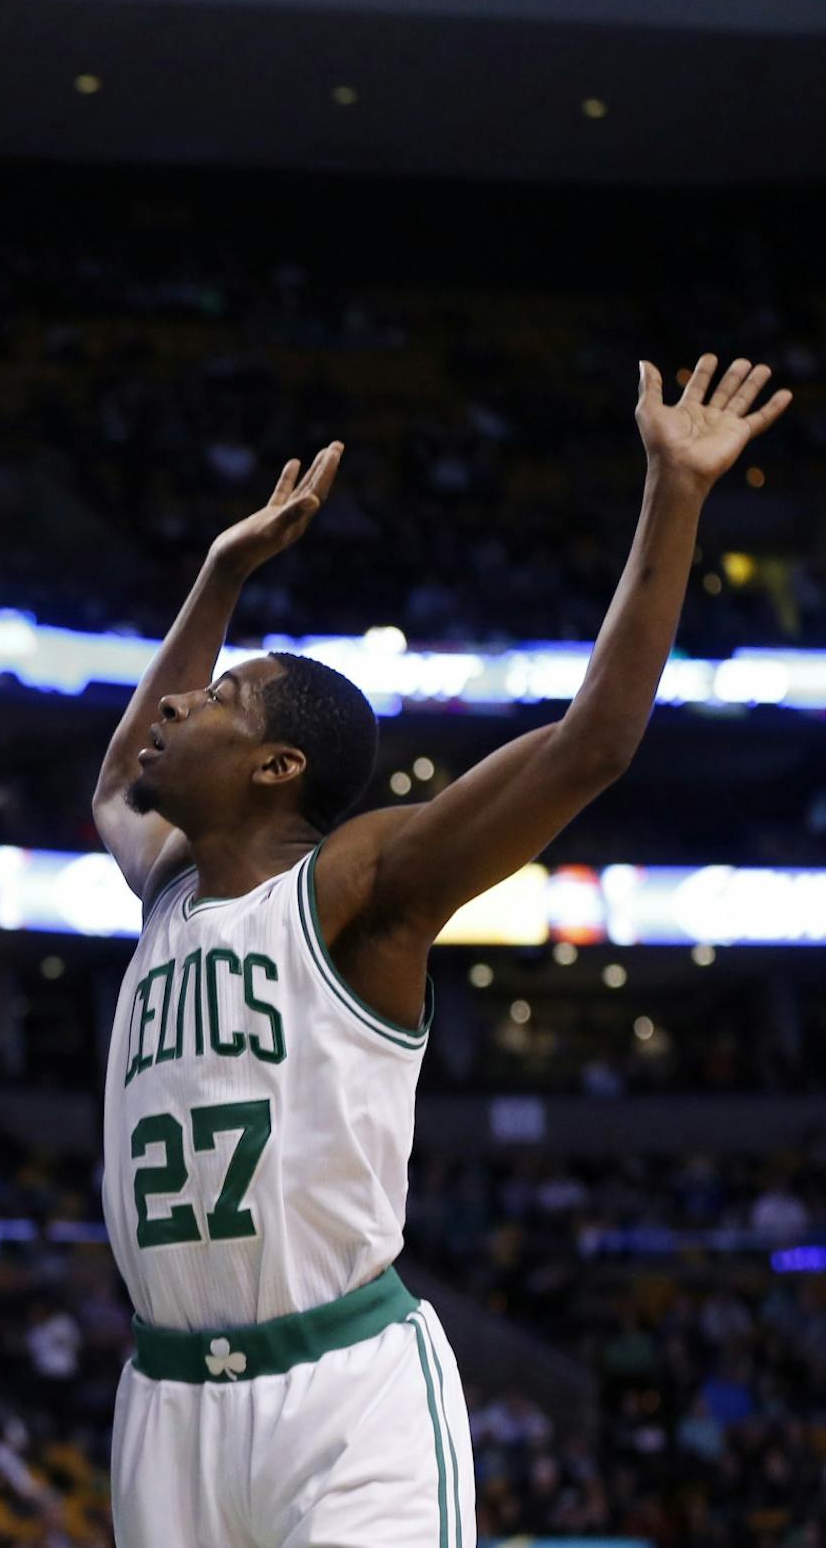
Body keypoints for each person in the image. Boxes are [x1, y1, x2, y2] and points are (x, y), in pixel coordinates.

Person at [88, 354, 791, 1547]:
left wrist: (675, 493)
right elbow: (115, 780)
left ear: (279, 767)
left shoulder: (357, 888)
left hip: (341, 1391)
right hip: (163, 1402)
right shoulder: (167, 885)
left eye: (219, 699)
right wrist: (221, 571)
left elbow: (591, 745)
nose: (175, 702)